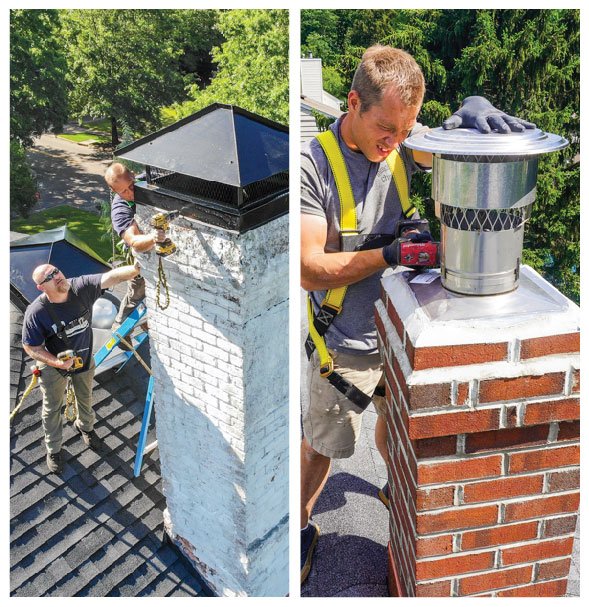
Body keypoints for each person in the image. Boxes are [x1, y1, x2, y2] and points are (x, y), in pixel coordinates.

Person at [300, 44, 534, 583]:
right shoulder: (315, 165)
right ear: (353, 103)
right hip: (346, 343)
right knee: (323, 444)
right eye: (386, 128)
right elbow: (310, 269)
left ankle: (390, 482)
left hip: (399, 332)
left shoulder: (401, 141)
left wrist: (470, 112)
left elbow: (454, 152)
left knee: (395, 422)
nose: (396, 142)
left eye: (406, 131)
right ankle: (305, 523)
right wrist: (388, 254)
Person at [22, 262, 141, 474]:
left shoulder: (80, 288)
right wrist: (57, 363)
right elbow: (30, 346)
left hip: (84, 359)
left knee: (85, 398)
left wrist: (137, 269)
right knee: (52, 409)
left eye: (56, 271)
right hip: (54, 365)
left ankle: (85, 427)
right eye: (49, 277)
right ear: (41, 287)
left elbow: (111, 277)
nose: (57, 276)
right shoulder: (37, 313)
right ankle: (54, 449)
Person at [104, 163, 164, 329]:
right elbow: (134, 241)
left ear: (133, 176)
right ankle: (119, 326)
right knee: (136, 293)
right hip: (139, 255)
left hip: (154, 249)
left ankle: (146, 323)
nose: (130, 193)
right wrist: (153, 238)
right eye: (123, 191)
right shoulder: (120, 209)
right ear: (114, 191)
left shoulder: (145, 181)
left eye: (131, 186)